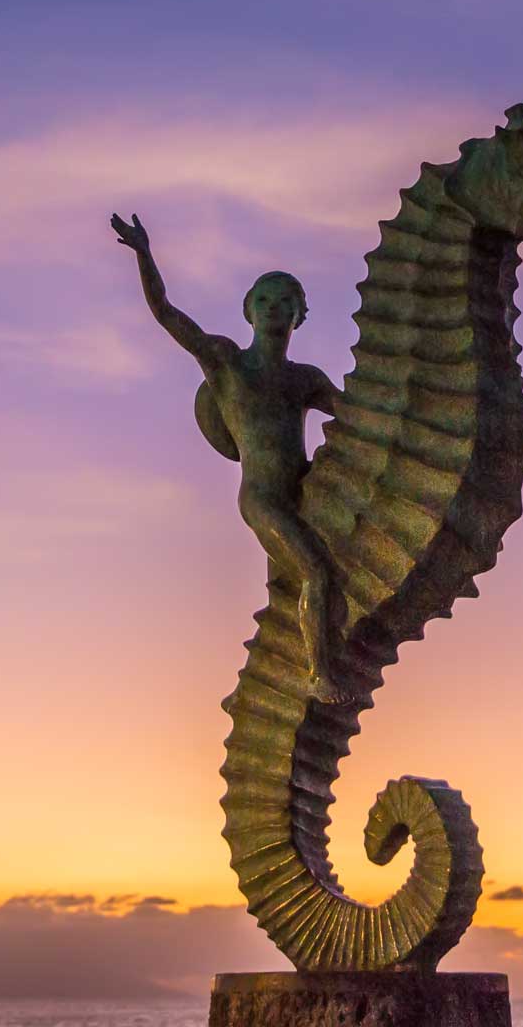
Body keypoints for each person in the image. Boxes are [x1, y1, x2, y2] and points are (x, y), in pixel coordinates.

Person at [108, 212, 344, 701]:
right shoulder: (228, 363)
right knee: (317, 572)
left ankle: (282, 674)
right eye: (264, 300)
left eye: (286, 302)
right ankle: (319, 675)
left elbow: (358, 418)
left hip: (305, 490)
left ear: (301, 314)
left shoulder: (307, 379)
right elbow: (167, 314)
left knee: (298, 587)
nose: (274, 309)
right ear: (248, 312)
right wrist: (145, 255)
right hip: (262, 498)